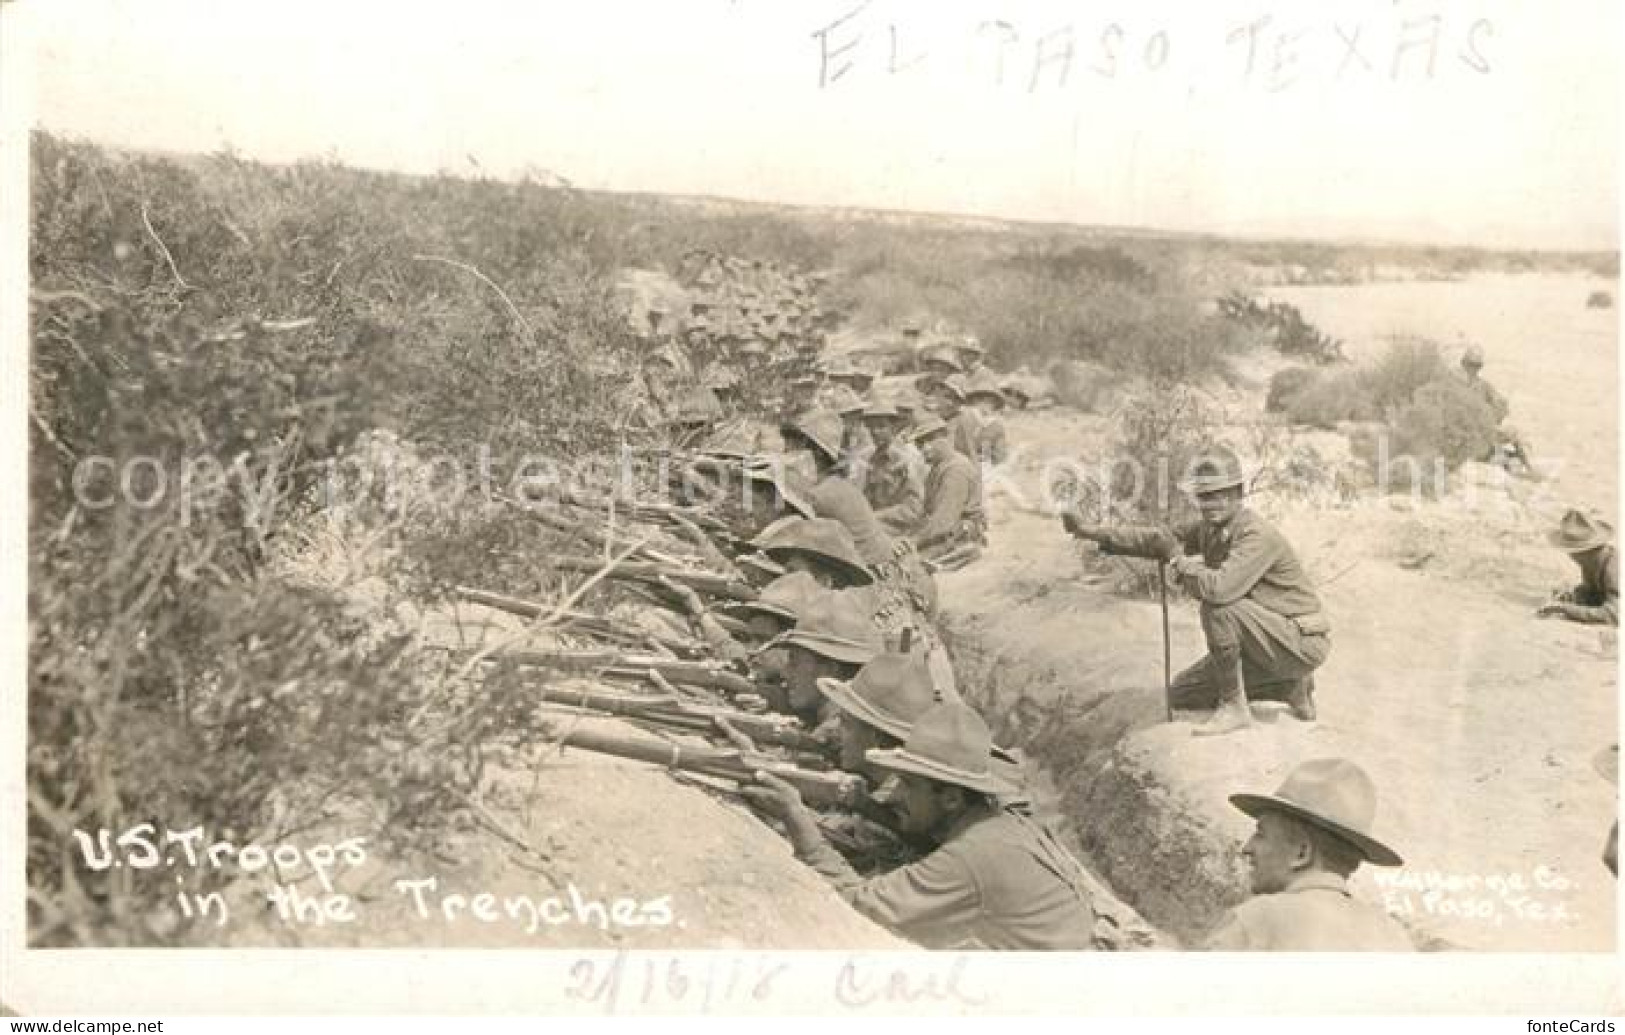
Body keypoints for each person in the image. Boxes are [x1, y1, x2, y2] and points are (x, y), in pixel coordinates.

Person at [743, 702, 1099, 950]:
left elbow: (859, 904)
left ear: (951, 799)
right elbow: (923, 835)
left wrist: (799, 821)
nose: (897, 794)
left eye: (910, 785)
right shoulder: (996, 823)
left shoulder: (970, 856)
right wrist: (866, 808)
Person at [1063, 446, 1328, 735]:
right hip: (1263, 642)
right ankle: (1288, 686)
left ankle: (1235, 707)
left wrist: (1178, 559)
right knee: (1182, 693)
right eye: (1203, 496)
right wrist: (1090, 531)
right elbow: (1159, 538)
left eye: (1218, 495)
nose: (1210, 504)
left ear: (1238, 493)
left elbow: (1217, 590)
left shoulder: (1256, 535)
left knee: (1220, 608)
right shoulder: (1211, 529)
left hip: (1299, 643)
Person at [1200, 758, 1413, 951]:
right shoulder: (1394, 937)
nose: (1247, 847)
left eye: (1261, 834)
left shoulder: (1256, 922)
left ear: (1302, 853)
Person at [912, 414, 986, 567]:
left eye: (930, 440)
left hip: (958, 536)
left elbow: (943, 521)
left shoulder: (955, 470)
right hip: (944, 532)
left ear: (945, 438)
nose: (924, 448)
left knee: (906, 563)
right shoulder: (939, 466)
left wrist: (913, 541)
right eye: (919, 444)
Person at [1456, 345, 1534, 473]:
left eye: (1477, 365)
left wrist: (1498, 411)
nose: (1473, 369)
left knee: (1512, 435)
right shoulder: (1453, 384)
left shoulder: (1482, 385)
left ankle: (1528, 468)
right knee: (1502, 453)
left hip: (1482, 433)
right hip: (1464, 436)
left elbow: (1499, 403)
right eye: (1471, 365)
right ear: (1463, 363)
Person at [1536, 509, 1618, 626]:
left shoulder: (1614, 568)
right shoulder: (1594, 562)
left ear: (1585, 551)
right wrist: (1574, 595)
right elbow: (1594, 592)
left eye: (1573, 552)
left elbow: (1613, 615)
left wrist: (1565, 609)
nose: (1572, 557)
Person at [862, 399, 928, 536]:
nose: (874, 432)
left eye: (881, 427)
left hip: (903, 529)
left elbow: (913, 510)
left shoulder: (908, 459)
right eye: (871, 427)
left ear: (894, 428)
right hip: (878, 523)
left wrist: (875, 516)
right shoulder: (874, 458)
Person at [961, 370, 1010, 465]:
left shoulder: (996, 426)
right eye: (980, 400)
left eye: (989, 401)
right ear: (973, 401)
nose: (984, 405)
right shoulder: (963, 418)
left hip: (984, 468)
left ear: (995, 404)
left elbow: (999, 457)